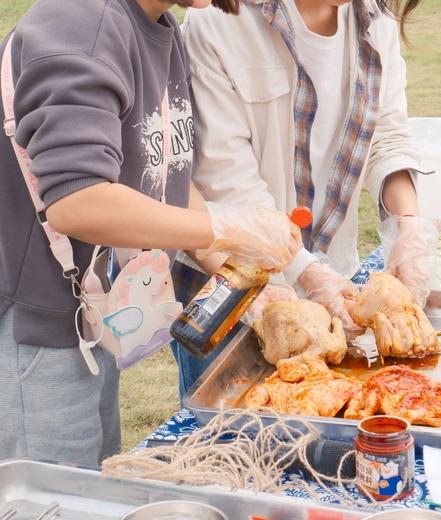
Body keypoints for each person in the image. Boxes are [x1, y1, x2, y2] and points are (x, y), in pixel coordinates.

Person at [0, 0, 302, 468]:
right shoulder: (82, 22)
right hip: (31, 327)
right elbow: (76, 199)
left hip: (89, 316)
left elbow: (171, 176)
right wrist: (228, 226)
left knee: (94, 484)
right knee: (54, 498)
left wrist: (233, 264)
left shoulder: (158, 27)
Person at [171, 0, 439, 393]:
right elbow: (225, 180)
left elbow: (386, 135)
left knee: (330, 443)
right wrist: (306, 272)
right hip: (235, 291)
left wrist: (408, 225)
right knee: (229, 442)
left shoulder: (373, 19)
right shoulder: (217, 20)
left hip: (334, 287)